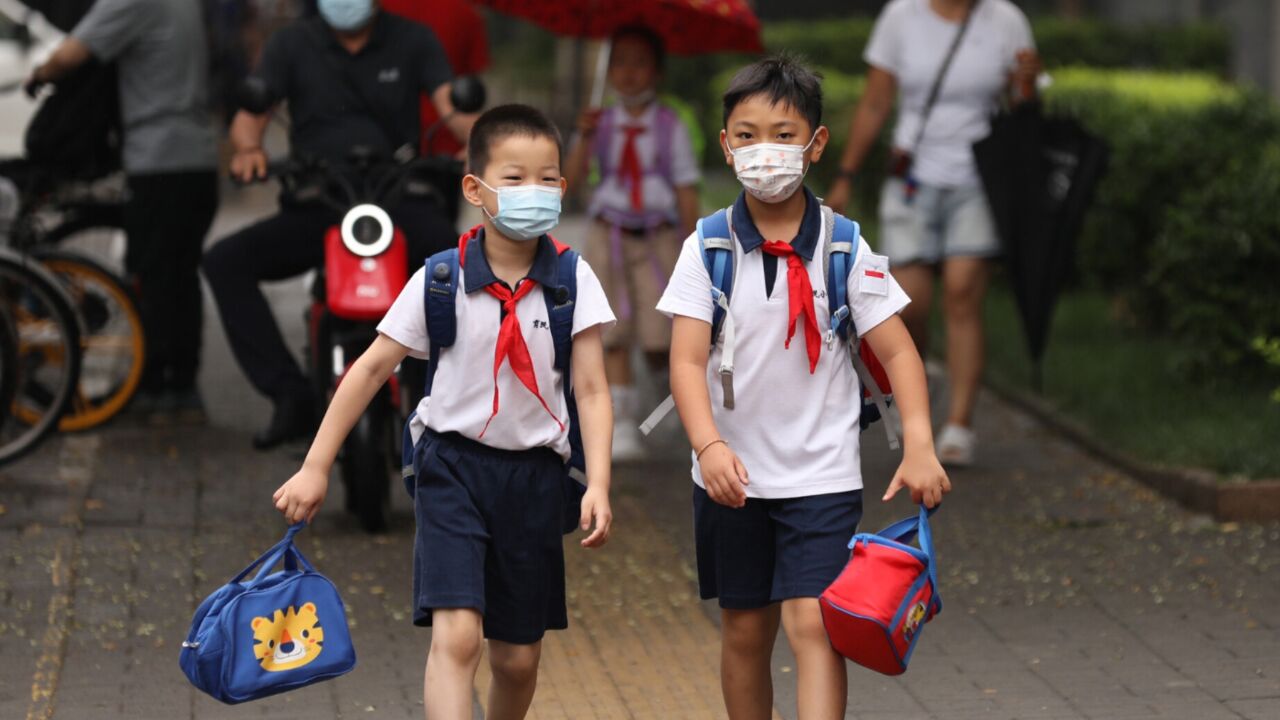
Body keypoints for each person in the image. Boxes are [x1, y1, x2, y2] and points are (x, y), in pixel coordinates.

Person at [272, 104, 616, 720]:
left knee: (517, 661)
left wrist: (601, 485)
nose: (531, 193)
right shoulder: (441, 278)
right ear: (474, 187)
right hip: (451, 470)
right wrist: (315, 466)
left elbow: (591, 390)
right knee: (457, 637)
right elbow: (371, 369)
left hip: (535, 479)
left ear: (563, 189)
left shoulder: (572, 279)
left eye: (546, 179)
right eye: (513, 179)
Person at [658, 56, 951, 719]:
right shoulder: (707, 247)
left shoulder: (845, 247)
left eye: (785, 135)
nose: (767, 151)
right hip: (730, 478)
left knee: (815, 624)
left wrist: (920, 445)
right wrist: (706, 447)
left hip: (822, 474)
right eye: (749, 133)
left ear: (816, 146)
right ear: (726, 143)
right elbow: (684, 362)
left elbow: (899, 351)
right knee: (744, 631)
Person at [202, 0, 476, 449]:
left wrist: (479, 143)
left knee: (456, 264)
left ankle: (439, 398)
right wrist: (249, 148)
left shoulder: (414, 39)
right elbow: (251, 114)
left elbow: (454, 108)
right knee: (224, 261)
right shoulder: (291, 42)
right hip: (319, 202)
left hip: (397, 199)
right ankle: (290, 396)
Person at [825, 0, 1041, 466]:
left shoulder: (1006, 20)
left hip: (980, 181)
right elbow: (877, 101)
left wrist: (1026, 83)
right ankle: (918, 385)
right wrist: (845, 174)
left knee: (962, 295)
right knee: (910, 304)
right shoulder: (901, 17)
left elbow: (1023, 107)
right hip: (912, 179)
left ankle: (959, 425)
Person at [27, 0, 220, 423]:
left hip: (158, 159)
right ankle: (181, 387)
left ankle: (154, 387)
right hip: (199, 157)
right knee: (180, 275)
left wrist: (39, 75)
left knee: (152, 274)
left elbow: (71, 55)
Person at [563, 25, 701, 460]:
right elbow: (569, 177)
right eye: (619, 61)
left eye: (640, 62)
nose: (628, 72)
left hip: (659, 235)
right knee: (613, 329)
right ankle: (620, 420)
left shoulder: (669, 125)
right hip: (610, 233)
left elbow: (684, 186)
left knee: (661, 335)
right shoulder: (598, 122)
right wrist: (584, 136)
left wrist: (693, 242)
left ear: (657, 72)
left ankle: (667, 393)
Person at [381, 0, 490, 156]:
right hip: (450, 146)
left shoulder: (376, 12)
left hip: (393, 144)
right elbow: (473, 88)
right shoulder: (467, 12)